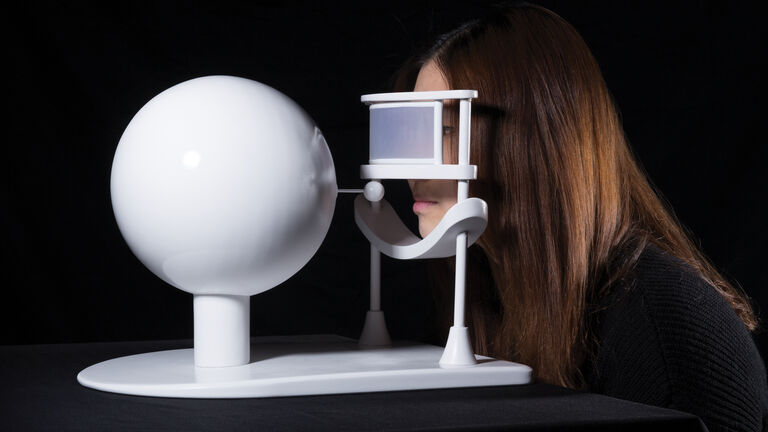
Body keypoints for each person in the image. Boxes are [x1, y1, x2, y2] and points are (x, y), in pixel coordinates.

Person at [395, 4, 768, 431]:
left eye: (444, 130)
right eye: (413, 130)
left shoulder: (670, 332)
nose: (410, 167)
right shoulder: (482, 296)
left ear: (530, 140)